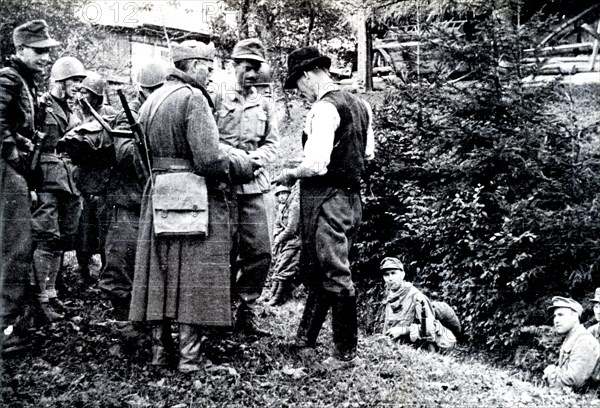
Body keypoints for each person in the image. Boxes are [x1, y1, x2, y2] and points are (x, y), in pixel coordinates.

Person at [128, 41, 256, 372]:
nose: (212, 72)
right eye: (209, 66)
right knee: (195, 277)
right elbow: (210, 160)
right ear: (194, 65)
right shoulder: (193, 98)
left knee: (158, 275)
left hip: (158, 194)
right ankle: (191, 357)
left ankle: (160, 353)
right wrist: (244, 165)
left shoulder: (152, 99)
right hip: (194, 197)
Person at [274, 46, 375, 369]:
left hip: (327, 201)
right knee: (320, 268)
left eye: (297, 85)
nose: (299, 93)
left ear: (307, 75)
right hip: (351, 201)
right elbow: (368, 154)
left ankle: (345, 353)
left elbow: (316, 164)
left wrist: (290, 173)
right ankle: (305, 338)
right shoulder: (360, 105)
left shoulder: (323, 109)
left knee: (335, 272)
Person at [0, 19, 59, 354]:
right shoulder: (9, 78)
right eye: (39, 51)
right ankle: (4, 330)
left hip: (17, 172)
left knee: (19, 246)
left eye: (48, 52)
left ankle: (16, 320)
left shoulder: (27, 82)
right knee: (14, 249)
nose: (45, 58)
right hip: (7, 171)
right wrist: (16, 155)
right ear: (20, 49)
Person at [214, 38, 279, 335]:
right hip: (222, 184)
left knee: (261, 251)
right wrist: (231, 158)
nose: (252, 74)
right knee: (222, 249)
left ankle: (246, 307)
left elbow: (272, 143)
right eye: (246, 67)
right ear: (233, 65)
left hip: (254, 184)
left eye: (256, 68)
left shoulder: (264, 100)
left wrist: (253, 159)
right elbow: (206, 137)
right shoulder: (216, 95)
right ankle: (220, 309)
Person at [98, 59, 168, 328]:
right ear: (144, 91)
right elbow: (125, 153)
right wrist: (146, 140)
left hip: (152, 202)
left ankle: (144, 323)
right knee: (120, 265)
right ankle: (122, 326)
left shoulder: (159, 111)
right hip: (127, 203)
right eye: (155, 90)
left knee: (151, 267)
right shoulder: (127, 115)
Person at [31, 56, 85, 322]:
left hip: (68, 180)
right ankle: (40, 300)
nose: (78, 86)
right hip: (44, 180)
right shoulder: (42, 106)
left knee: (63, 238)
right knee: (46, 237)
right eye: (74, 81)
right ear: (61, 81)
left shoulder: (73, 109)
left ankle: (52, 295)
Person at [69, 71, 117, 286]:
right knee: (83, 231)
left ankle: (107, 274)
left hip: (104, 181)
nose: (82, 96)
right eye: (80, 91)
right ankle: (82, 270)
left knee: (106, 233)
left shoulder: (109, 114)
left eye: (87, 92)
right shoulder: (75, 114)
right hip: (83, 180)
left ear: (98, 95)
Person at [379, 257, 457, 352]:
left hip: (419, 350)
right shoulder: (389, 297)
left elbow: (430, 330)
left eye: (393, 273)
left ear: (402, 274)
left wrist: (403, 330)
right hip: (397, 349)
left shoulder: (417, 297)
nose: (390, 278)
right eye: (386, 275)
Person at [543, 296, 600, 390]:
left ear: (575, 316)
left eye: (561, 315)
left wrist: (551, 374)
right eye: (555, 316)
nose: (556, 320)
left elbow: (574, 381)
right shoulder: (573, 338)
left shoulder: (583, 340)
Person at [266, 183, 301, 306]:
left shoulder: (294, 206)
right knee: (277, 265)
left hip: (293, 241)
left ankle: (277, 297)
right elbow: (277, 223)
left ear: (289, 194)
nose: (281, 196)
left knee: (285, 267)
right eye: (279, 194)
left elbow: (292, 228)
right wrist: (276, 236)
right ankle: (271, 293)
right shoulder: (282, 207)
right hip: (283, 241)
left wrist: (279, 238)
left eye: (284, 193)